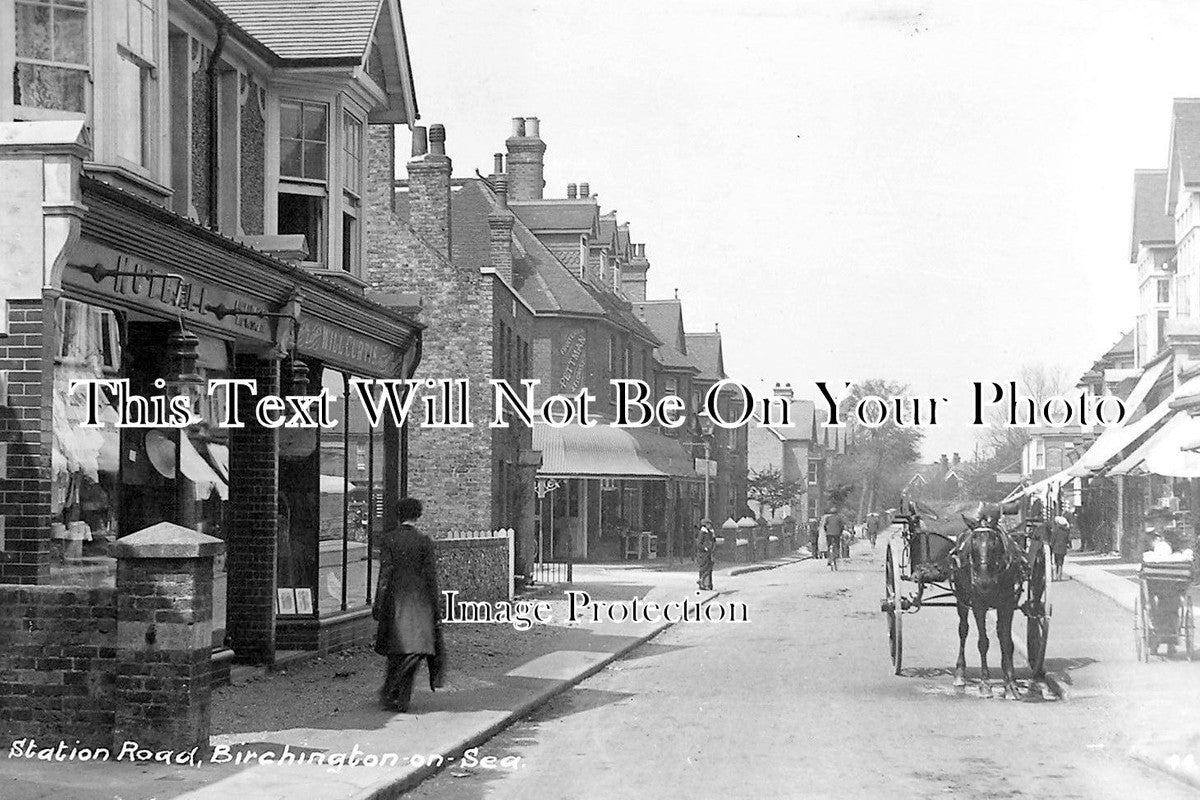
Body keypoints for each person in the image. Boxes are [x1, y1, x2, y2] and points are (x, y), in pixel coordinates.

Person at [372, 497, 445, 712]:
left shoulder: (389, 540)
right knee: (415, 649)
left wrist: (378, 603)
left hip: (395, 601)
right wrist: (436, 609)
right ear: (418, 515)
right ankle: (402, 695)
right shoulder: (425, 542)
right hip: (420, 602)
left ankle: (391, 693)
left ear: (398, 515)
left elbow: (385, 574)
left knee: (396, 649)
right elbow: (431, 578)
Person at [695, 518, 716, 590]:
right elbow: (698, 544)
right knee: (704, 569)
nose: (710, 526)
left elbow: (713, 542)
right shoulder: (702, 533)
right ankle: (702, 584)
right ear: (705, 525)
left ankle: (708, 584)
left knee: (709, 569)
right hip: (703, 555)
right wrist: (705, 548)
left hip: (708, 554)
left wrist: (713, 536)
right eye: (709, 524)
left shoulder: (709, 533)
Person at [822, 507, 845, 571]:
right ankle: (836, 554)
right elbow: (842, 526)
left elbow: (824, 526)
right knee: (837, 545)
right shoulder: (839, 518)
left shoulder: (828, 518)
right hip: (837, 534)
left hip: (829, 534)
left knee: (829, 545)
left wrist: (826, 531)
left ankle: (829, 558)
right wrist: (840, 532)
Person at [1048, 515, 1071, 581]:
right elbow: (1067, 540)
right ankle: (1059, 576)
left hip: (1056, 548)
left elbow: (1052, 540)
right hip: (1063, 548)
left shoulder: (1056, 531)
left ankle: (1056, 575)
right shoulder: (1066, 531)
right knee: (1061, 562)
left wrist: (1051, 546)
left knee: (1056, 562)